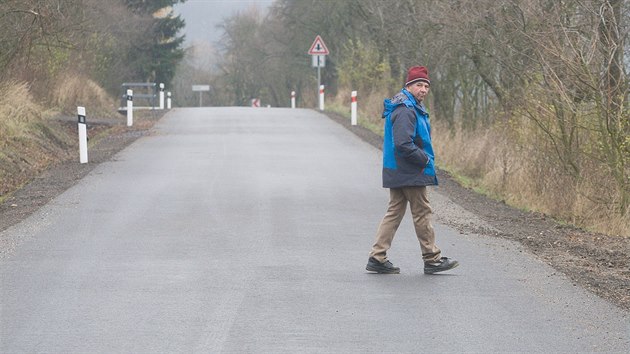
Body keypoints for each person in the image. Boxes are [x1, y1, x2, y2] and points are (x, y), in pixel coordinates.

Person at [366, 65, 459, 275]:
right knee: (422, 212)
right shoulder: (406, 110)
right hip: (409, 171)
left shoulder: (408, 106)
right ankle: (432, 258)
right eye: (419, 85)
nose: (423, 90)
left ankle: (377, 257)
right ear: (409, 86)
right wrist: (424, 160)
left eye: (426, 86)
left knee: (394, 212)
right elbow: (403, 144)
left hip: (398, 170)